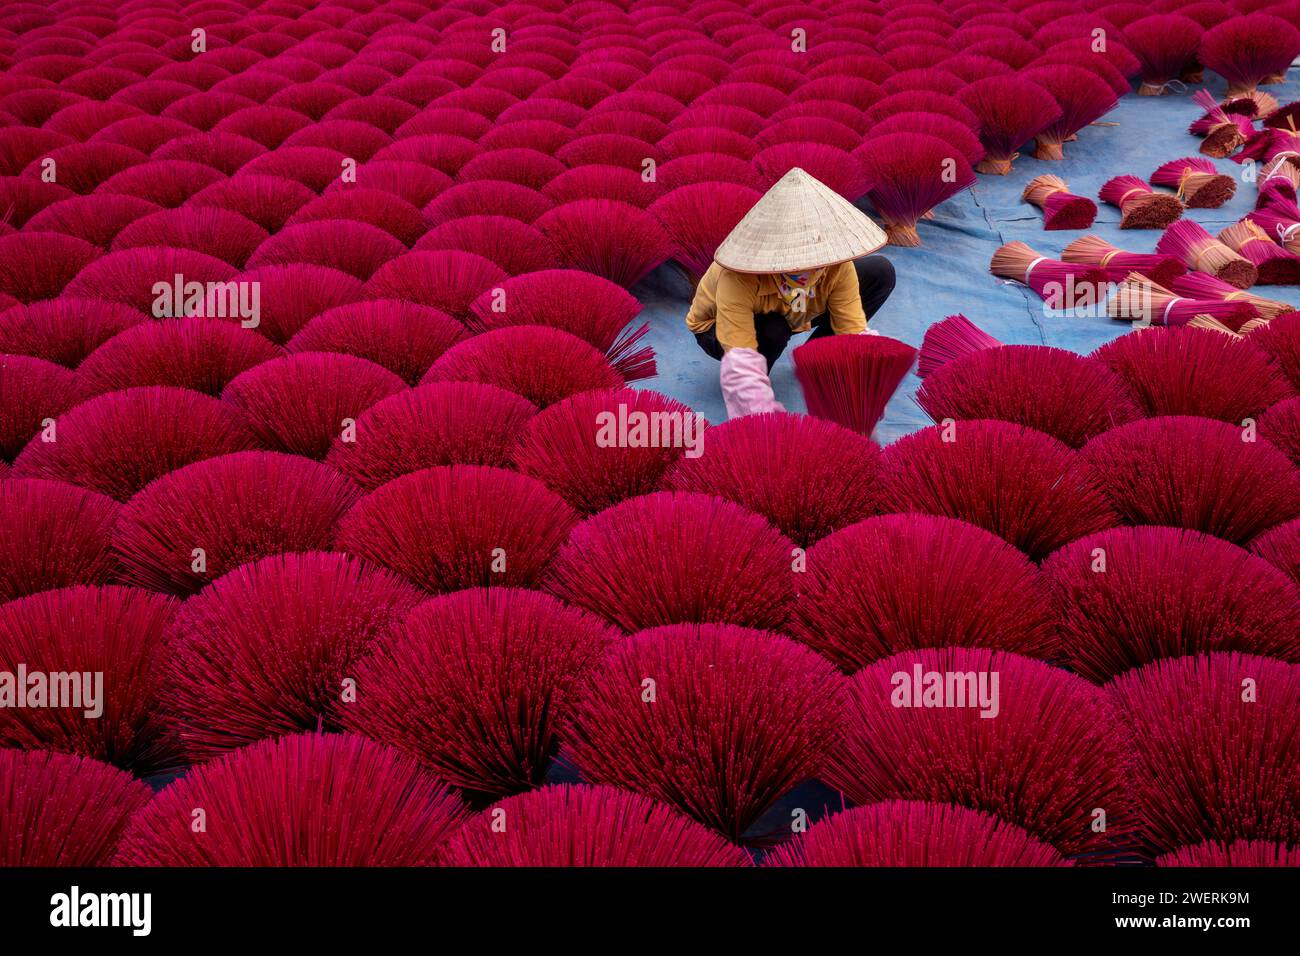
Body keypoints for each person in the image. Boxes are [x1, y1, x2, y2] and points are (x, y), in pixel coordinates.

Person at [685, 167, 896, 418]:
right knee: (774, 328)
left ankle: (816, 360)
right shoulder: (737, 277)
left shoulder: (838, 265)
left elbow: (850, 327)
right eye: (796, 263)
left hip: (797, 307)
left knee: (879, 271)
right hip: (721, 328)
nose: (806, 270)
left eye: (815, 261)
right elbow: (739, 351)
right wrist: (755, 407)